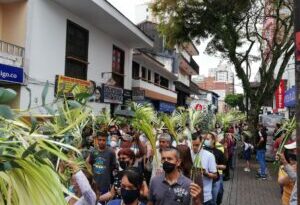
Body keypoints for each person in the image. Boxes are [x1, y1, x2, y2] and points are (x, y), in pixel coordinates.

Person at [86, 131, 117, 202]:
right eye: (100, 140)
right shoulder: (93, 151)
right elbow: (89, 164)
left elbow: (113, 167)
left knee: (102, 201)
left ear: (107, 140)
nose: (101, 142)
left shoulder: (111, 152)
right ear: (97, 140)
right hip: (94, 183)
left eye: (104, 140)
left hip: (105, 183)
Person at [191, 133, 218, 205]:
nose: (194, 147)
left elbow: (215, 175)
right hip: (191, 195)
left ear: (201, 143)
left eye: (197, 145)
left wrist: (206, 173)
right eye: (192, 145)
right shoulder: (188, 154)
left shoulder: (209, 156)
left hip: (205, 196)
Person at [204, 132, 226, 205]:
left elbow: (224, 166)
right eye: (205, 139)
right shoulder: (202, 151)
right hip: (204, 181)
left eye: (207, 139)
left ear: (213, 140)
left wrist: (215, 166)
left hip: (215, 181)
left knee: (214, 200)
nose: (205, 141)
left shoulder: (218, 152)